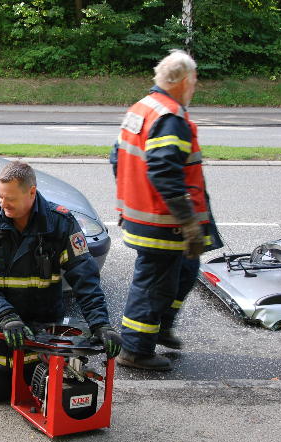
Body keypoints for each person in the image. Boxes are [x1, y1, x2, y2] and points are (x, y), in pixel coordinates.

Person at [0, 160, 121, 402]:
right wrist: (5, 316)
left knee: (40, 394)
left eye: (10, 198)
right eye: (0, 196)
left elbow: (85, 279)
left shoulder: (60, 224)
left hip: (40, 329)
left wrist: (101, 325)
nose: (3, 205)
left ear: (31, 192)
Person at [111, 49, 222, 371]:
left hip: (146, 214)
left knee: (186, 270)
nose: (196, 86)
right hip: (163, 221)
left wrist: (129, 200)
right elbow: (163, 171)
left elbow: (116, 158)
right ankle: (135, 350)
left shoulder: (142, 108)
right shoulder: (170, 117)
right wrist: (187, 222)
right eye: (195, 80)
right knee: (153, 282)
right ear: (185, 80)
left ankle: (161, 325)